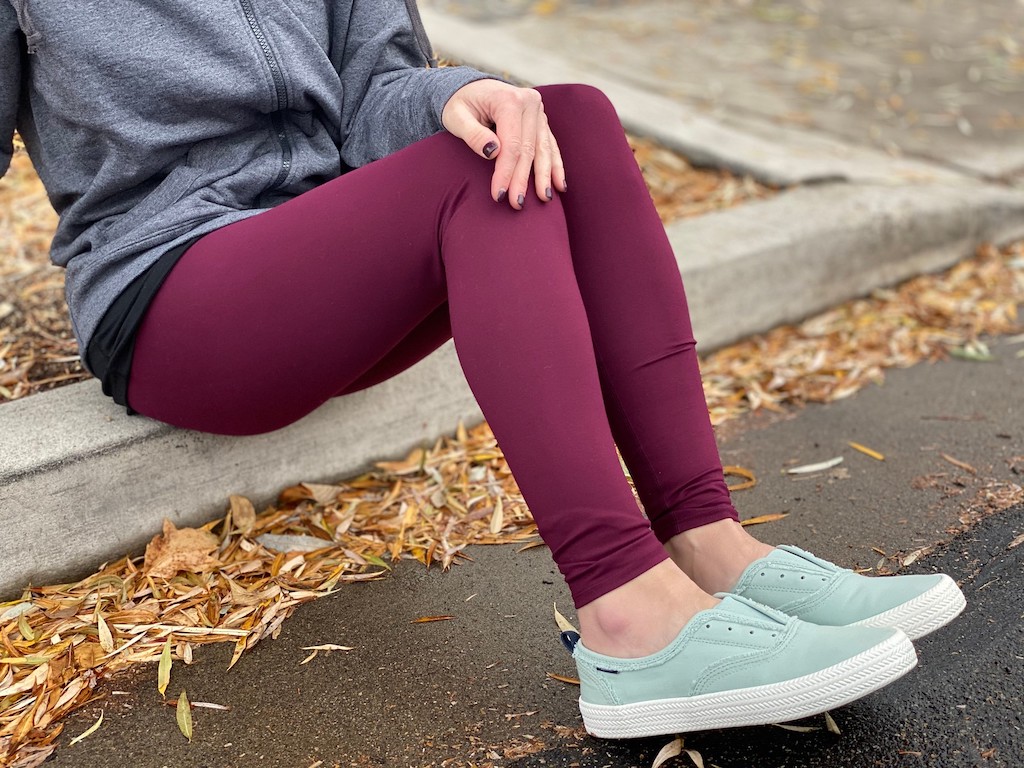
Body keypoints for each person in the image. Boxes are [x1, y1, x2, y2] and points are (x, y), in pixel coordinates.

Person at [1, 0, 965, 739]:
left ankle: (708, 544)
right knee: (479, 181)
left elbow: (380, 90)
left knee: (566, 123)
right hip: (176, 298)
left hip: (337, 270)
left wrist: (458, 95)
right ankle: (625, 614)